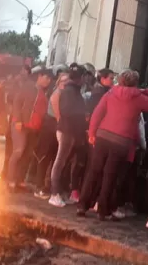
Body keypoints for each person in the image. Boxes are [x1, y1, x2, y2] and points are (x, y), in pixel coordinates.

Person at [77, 69, 148, 220]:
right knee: (110, 175)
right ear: (136, 82)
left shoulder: (110, 93)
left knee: (94, 171)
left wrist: (92, 133)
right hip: (122, 141)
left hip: (103, 135)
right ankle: (103, 211)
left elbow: (97, 113)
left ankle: (82, 205)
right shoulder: (139, 97)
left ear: (120, 80)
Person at [8, 68, 52, 192]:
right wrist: (17, 120)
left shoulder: (44, 92)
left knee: (27, 155)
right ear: (40, 76)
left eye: (50, 79)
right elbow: (17, 102)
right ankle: (11, 180)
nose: (48, 81)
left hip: (34, 128)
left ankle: (20, 180)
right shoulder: (29, 87)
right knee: (18, 151)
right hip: (21, 125)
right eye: (46, 78)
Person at [49, 67, 87, 207]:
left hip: (70, 131)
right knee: (60, 162)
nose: (85, 80)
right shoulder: (70, 91)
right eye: (84, 76)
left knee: (63, 162)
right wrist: (80, 121)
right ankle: (54, 194)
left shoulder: (73, 91)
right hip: (66, 131)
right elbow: (67, 112)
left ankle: (58, 192)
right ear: (80, 77)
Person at [33, 72, 69, 199]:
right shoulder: (57, 94)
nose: (66, 83)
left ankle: (46, 186)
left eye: (68, 81)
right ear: (59, 82)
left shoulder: (64, 95)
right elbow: (58, 116)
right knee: (44, 158)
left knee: (53, 158)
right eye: (63, 81)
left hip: (56, 128)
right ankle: (38, 187)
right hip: (49, 128)